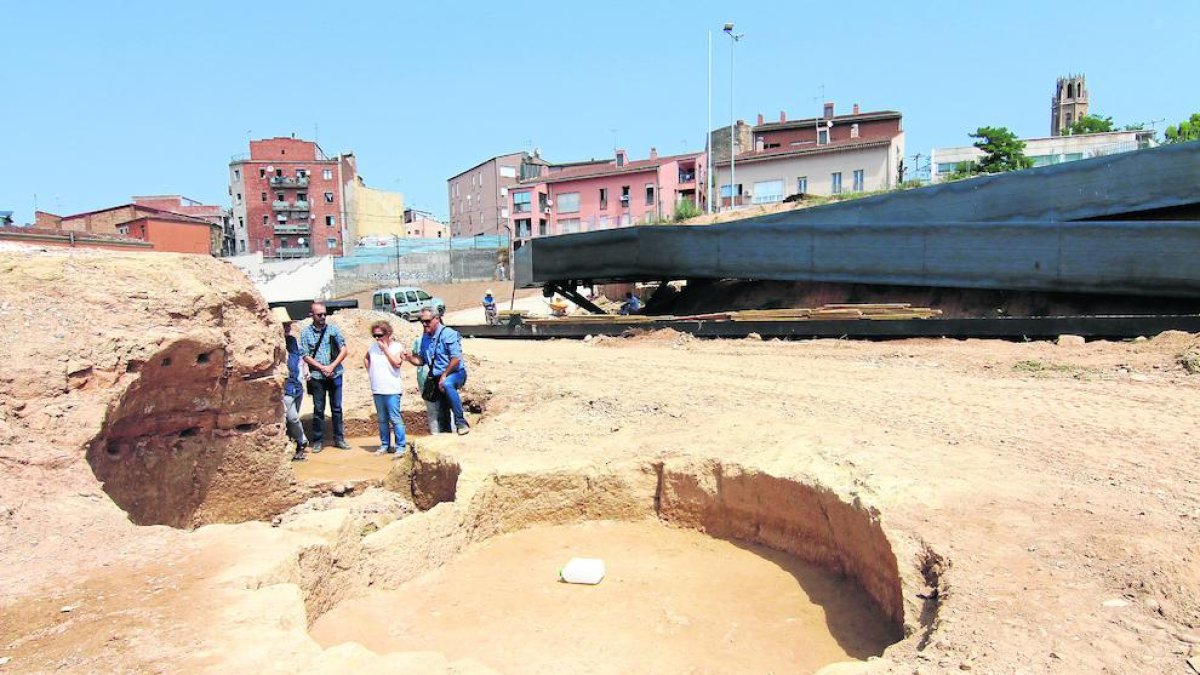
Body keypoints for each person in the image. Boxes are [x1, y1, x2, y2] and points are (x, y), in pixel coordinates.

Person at [405, 307, 470, 435]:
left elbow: (456, 359)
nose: (424, 324)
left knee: (447, 384)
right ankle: (446, 433)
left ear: (436, 319)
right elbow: (422, 361)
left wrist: (444, 375)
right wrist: (409, 358)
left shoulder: (448, 334)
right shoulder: (425, 338)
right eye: (422, 321)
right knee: (441, 409)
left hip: (454, 373)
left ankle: (461, 422)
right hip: (436, 376)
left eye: (427, 321)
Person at [300, 301, 350, 451]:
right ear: (312, 315)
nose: (322, 317)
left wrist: (332, 366)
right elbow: (305, 355)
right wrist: (322, 368)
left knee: (337, 408)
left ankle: (339, 439)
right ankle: (318, 441)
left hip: (335, 374)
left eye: (324, 314)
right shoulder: (305, 333)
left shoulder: (333, 329)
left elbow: (344, 349)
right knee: (318, 409)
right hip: (317, 376)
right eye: (319, 315)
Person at [364, 320, 407, 456]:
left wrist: (385, 349)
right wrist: (370, 372)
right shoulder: (372, 348)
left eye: (380, 335)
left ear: (388, 333)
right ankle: (384, 445)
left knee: (395, 418)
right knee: (382, 419)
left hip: (392, 389)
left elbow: (397, 363)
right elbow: (366, 358)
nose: (378, 338)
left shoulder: (397, 347)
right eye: (375, 336)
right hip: (378, 388)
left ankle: (400, 446)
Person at [273, 307, 309, 461]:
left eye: (288, 325)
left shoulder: (293, 341)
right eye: (284, 325)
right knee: (292, 418)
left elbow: (301, 357)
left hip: (296, 385)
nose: (287, 327)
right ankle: (302, 441)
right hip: (285, 387)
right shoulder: (274, 343)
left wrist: (305, 369)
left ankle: (294, 448)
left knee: (293, 418)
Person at [413, 335, 450, 433]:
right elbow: (417, 359)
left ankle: (450, 434)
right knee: (432, 410)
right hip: (426, 381)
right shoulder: (418, 341)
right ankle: (435, 434)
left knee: (447, 409)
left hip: (443, 379)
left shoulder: (445, 339)